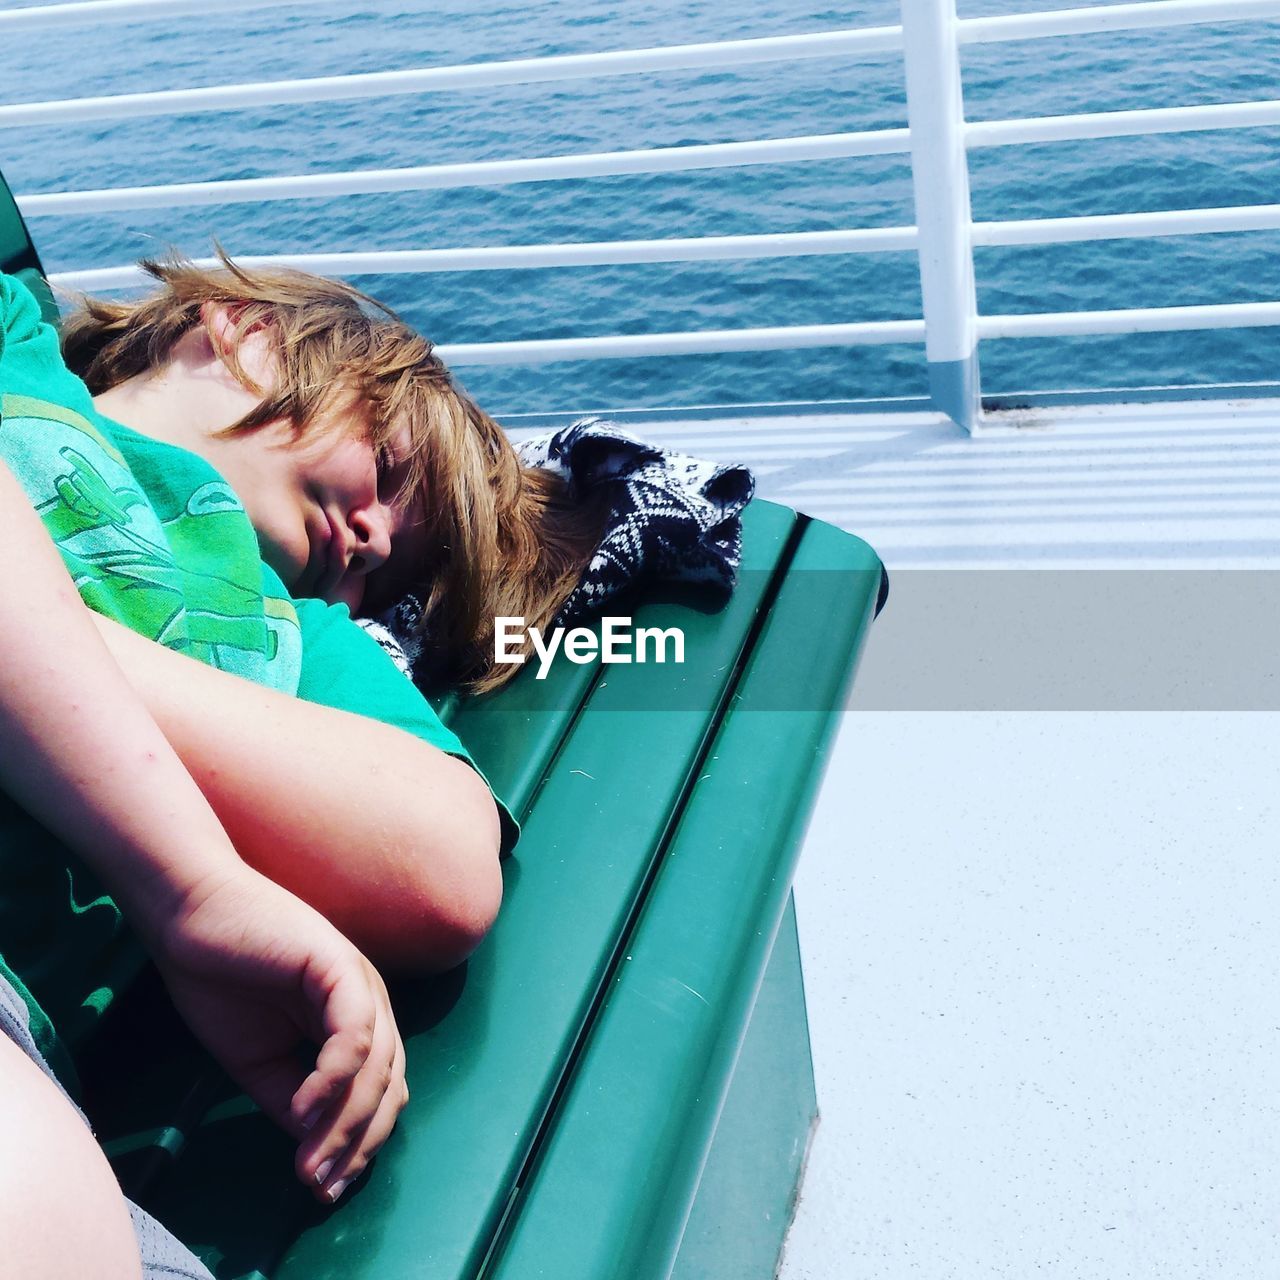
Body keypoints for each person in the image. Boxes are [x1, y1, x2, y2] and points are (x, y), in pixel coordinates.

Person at [0, 254, 607, 1278]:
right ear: (243, 331)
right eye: (392, 472)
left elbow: (435, 864)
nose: (368, 542)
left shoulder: (298, 638)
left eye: (395, 576)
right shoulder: (17, 346)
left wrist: (62, 651)